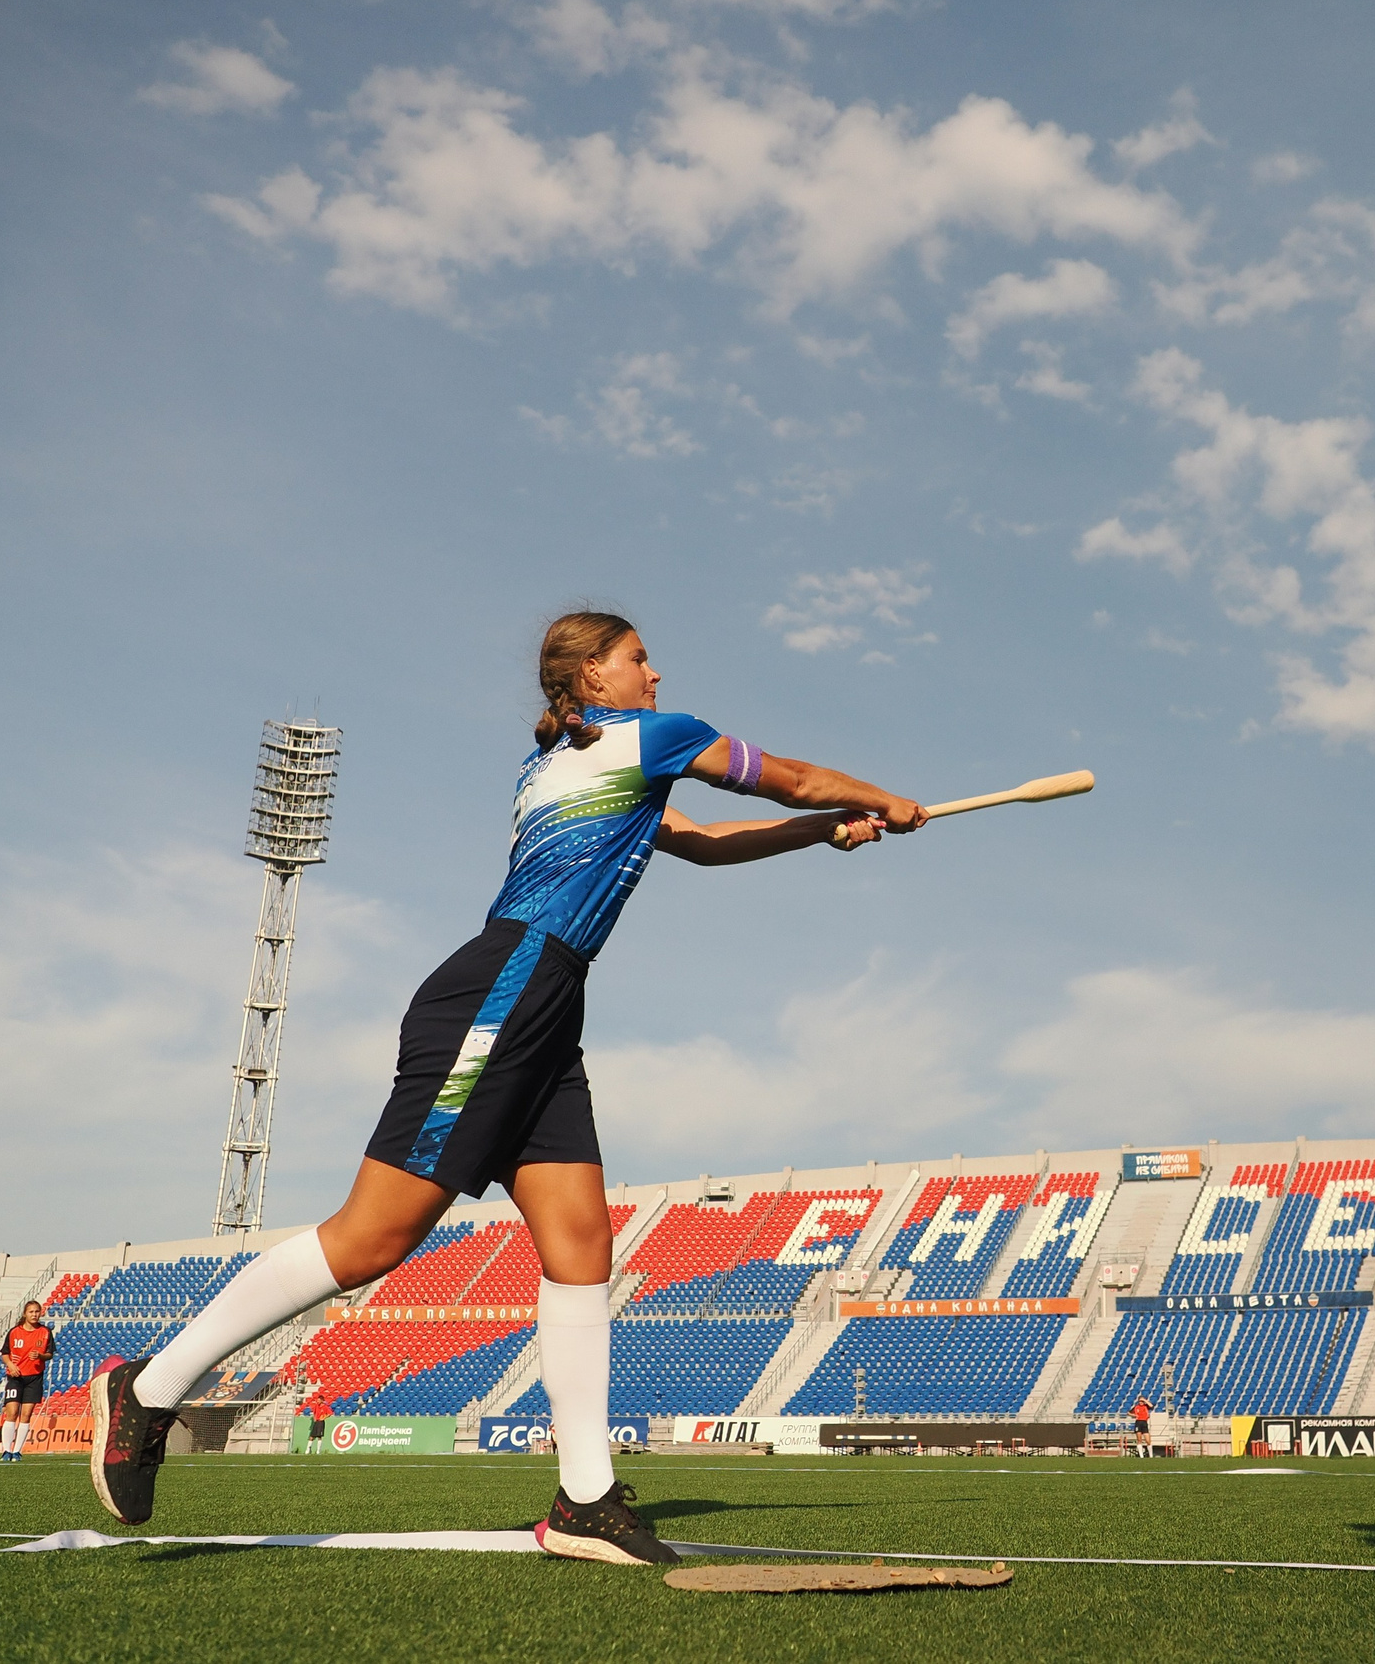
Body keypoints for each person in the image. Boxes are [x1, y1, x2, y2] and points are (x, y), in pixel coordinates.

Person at [91, 613, 923, 1565]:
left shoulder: (586, 760)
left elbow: (702, 842)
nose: (657, 671)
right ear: (593, 677)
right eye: (639, 657)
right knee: (374, 1235)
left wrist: (824, 833)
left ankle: (584, 1499)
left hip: (544, 1008)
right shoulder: (658, 735)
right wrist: (881, 796)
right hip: (503, 989)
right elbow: (795, 775)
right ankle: (150, 1388)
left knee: (580, 1243)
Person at [0, 1301, 53, 1463]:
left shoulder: (45, 1332)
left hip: (34, 1378)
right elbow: (5, 1353)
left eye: (37, 1311)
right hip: (16, 1377)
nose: (34, 1314)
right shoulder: (14, 1332)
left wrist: (41, 1356)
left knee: (26, 1415)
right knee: (12, 1412)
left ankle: (17, 1451)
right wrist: (10, 1365)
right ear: (25, 1314)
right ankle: (6, 1450)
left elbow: (50, 1354)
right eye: (31, 1312)